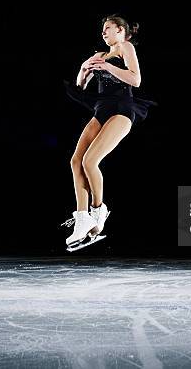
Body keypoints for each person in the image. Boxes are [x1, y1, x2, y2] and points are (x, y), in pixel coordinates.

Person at [62, 15, 157, 249]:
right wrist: (84, 70)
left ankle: (98, 210)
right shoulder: (100, 56)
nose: (103, 33)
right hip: (101, 109)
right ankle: (82, 218)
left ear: (120, 30)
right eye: (102, 29)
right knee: (76, 161)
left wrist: (106, 66)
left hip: (122, 110)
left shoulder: (125, 47)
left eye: (108, 28)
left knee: (90, 161)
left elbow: (135, 80)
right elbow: (81, 86)